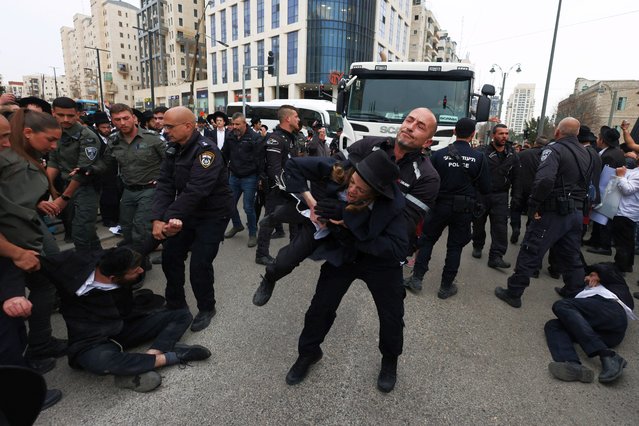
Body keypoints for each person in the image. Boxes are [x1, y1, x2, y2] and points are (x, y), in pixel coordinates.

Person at [284, 150, 408, 393]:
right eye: (352, 183)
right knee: (320, 307)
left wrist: (349, 227)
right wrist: (317, 208)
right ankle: (309, 353)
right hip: (345, 256)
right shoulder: (340, 176)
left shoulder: (392, 207)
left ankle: (390, 360)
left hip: (381, 264)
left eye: (360, 190)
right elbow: (293, 169)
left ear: (376, 193)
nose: (352, 191)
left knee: (391, 316)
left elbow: (398, 248)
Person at [39, 247, 211, 392]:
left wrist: (163, 230)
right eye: (135, 271)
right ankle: (171, 357)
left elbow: (143, 244)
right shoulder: (73, 266)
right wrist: (15, 297)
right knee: (101, 363)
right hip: (91, 341)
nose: (141, 271)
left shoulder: (114, 260)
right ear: (114, 277)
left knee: (182, 314)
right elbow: (31, 262)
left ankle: (150, 357)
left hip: (124, 326)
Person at [495, 117, 598, 308]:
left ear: (558, 132)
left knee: (531, 250)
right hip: (575, 212)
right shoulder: (588, 154)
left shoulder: (554, 149)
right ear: (577, 134)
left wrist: (534, 205)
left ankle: (514, 292)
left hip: (554, 211)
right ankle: (573, 291)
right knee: (571, 255)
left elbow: (544, 180)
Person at [0, 109, 63, 409]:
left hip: (19, 245)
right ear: (28, 133)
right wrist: (18, 253)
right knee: (7, 326)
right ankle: (18, 395)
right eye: (49, 139)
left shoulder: (17, 159)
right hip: (13, 248)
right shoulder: (10, 162)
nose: (5, 143)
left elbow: (13, 204)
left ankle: (37, 348)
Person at [151, 106, 234, 332]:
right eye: (164, 126)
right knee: (171, 256)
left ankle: (207, 307)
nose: (164, 130)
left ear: (188, 126)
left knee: (200, 263)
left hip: (212, 214)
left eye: (169, 126)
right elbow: (165, 184)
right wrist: (158, 218)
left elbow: (196, 191)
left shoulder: (207, 152)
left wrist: (170, 216)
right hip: (187, 212)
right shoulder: (173, 149)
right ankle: (175, 304)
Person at [404, 118, 489, 297]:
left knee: (427, 240)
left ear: (454, 132)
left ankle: (417, 279)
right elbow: (486, 187)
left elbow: (427, 181)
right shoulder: (479, 158)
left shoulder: (439, 154)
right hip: (464, 208)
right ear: (473, 134)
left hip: (439, 205)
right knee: (455, 247)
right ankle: (446, 286)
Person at [344, 108, 441, 254]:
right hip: (344, 243)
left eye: (420, 126)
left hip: (382, 252)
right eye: (409, 120)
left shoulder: (428, 178)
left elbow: (403, 224)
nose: (410, 127)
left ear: (427, 142)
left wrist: (349, 216)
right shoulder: (368, 145)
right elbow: (332, 171)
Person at [544, 263, 634, 384]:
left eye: (591, 275)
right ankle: (572, 364)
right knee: (553, 325)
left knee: (561, 304)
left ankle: (607, 355)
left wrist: (597, 274)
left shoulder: (614, 285)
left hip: (612, 313)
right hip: (603, 335)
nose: (588, 278)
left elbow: (605, 267)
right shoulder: (580, 292)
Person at [95, 104, 165, 249]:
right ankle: (135, 257)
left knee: (141, 227)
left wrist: (164, 183)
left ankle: (140, 264)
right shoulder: (113, 141)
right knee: (126, 227)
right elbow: (106, 163)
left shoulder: (152, 139)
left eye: (126, 118)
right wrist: (88, 170)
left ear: (134, 118)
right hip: (128, 191)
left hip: (150, 190)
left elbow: (170, 163)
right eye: (117, 119)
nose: (122, 123)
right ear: (112, 121)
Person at [46, 97, 103, 251]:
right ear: (53, 114)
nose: (66, 119)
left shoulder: (87, 136)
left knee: (81, 232)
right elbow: (53, 162)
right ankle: (98, 261)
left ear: (77, 115)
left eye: (70, 116)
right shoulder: (56, 133)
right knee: (85, 233)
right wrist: (50, 187)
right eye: (61, 115)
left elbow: (82, 171)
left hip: (86, 187)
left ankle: (86, 266)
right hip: (66, 186)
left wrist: (64, 198)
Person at [255, 105, 302, 266]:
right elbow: (274, 170)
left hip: (292, 188)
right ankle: (261, 254)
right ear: (287, 118)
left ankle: (294, 252)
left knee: (296, 220)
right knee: (270, 220)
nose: (299, 119)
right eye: (296, 116)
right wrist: (287, 188)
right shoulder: (275, 138)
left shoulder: (291, 137)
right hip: (277, 190)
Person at [471, 124, 518, 269]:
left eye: (506, 134)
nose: (504, 136)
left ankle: (496, 256)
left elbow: (516, 177)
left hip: (501, 196)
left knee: (500, 227)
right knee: (478, 223)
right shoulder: (481, 152)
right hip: (482, 194)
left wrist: (516, 197)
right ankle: (478, 245)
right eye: (501, 134)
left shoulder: (512, 154)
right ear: (493, 136)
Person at [222, 113, 264, 247]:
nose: (234, 127)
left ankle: (252, 233)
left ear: (245, 124)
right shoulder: (230, 136)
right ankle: (237, 225)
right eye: (233, 124)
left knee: (248, 207)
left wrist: (260, 178)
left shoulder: (254, 137)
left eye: (237, 124)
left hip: (250, 177)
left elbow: (261, 159)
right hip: (234, 176)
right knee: (229, 204)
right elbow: (224, 154)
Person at [585, 127, 625, 256]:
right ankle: (595, 240)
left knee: (604, 218)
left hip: (607, 189)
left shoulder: (609, 155)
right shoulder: (616, 152)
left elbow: (603, 174)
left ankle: (604, 245)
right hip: (610, 189)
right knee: (600, 218)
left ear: (603, 140)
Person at [610, 162, 639, 273]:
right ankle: (626, 265)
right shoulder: (635, 171)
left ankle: (620, 267)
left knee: (623, 242)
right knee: (627, 241)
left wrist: (621, 176)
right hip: (625, 210)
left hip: (627, 211)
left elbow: (627, 189)